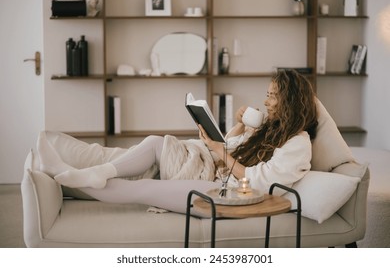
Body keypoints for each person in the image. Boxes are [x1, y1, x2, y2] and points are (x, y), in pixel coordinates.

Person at [37, 69, 318, 214]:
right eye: (266, 94)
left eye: (272, 95)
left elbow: (259, 181)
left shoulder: (298, 143)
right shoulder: (272, 128)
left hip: (228, 193)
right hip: (217, 174)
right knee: (155, 142)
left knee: (146, 188)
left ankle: (69, 178)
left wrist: (218, 150)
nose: (266, 101)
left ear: (290, 101)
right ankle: (96, 173)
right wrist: (240, 126)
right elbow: (235, 149)